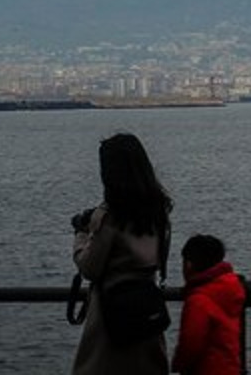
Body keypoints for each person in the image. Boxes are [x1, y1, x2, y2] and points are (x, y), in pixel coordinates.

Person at [71, 132, 174, 375]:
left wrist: (81, 235)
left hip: (111, 317)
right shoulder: (160, 211)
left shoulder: (109, 216)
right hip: (147, 312)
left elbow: (89, 268)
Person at [170, 234, 246, 375]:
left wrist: (177, 364)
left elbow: (191, 343)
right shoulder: (230, 288)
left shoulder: (198, 300)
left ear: (188, 264)